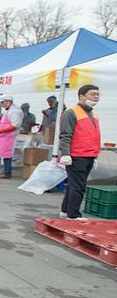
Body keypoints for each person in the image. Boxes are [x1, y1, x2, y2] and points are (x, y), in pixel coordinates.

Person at [59, 84, 101, 220]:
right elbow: (65, 134)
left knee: (74, 185)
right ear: (82, 96)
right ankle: (73, 215)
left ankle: (66, 210)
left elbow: (92, 135)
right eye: (92, 94)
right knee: (78, 186)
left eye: (97, 94)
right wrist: (65, 153)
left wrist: (95, 155)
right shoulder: (71, 112)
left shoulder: (93, 114)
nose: (96, 97)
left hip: (89, 154)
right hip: (77, 155)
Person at [0, 94, 23, 179]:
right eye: (1, 103)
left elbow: (15, 125)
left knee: (7, 154)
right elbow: (4, 122)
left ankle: (7, 172)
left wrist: (2, 130)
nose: (2, 105)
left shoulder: (15, 111)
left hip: (10, 136)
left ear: (9, 102)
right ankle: (5, 171)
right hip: (5, 136)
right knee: (4, 154)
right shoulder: (8, 110)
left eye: (3, 102)